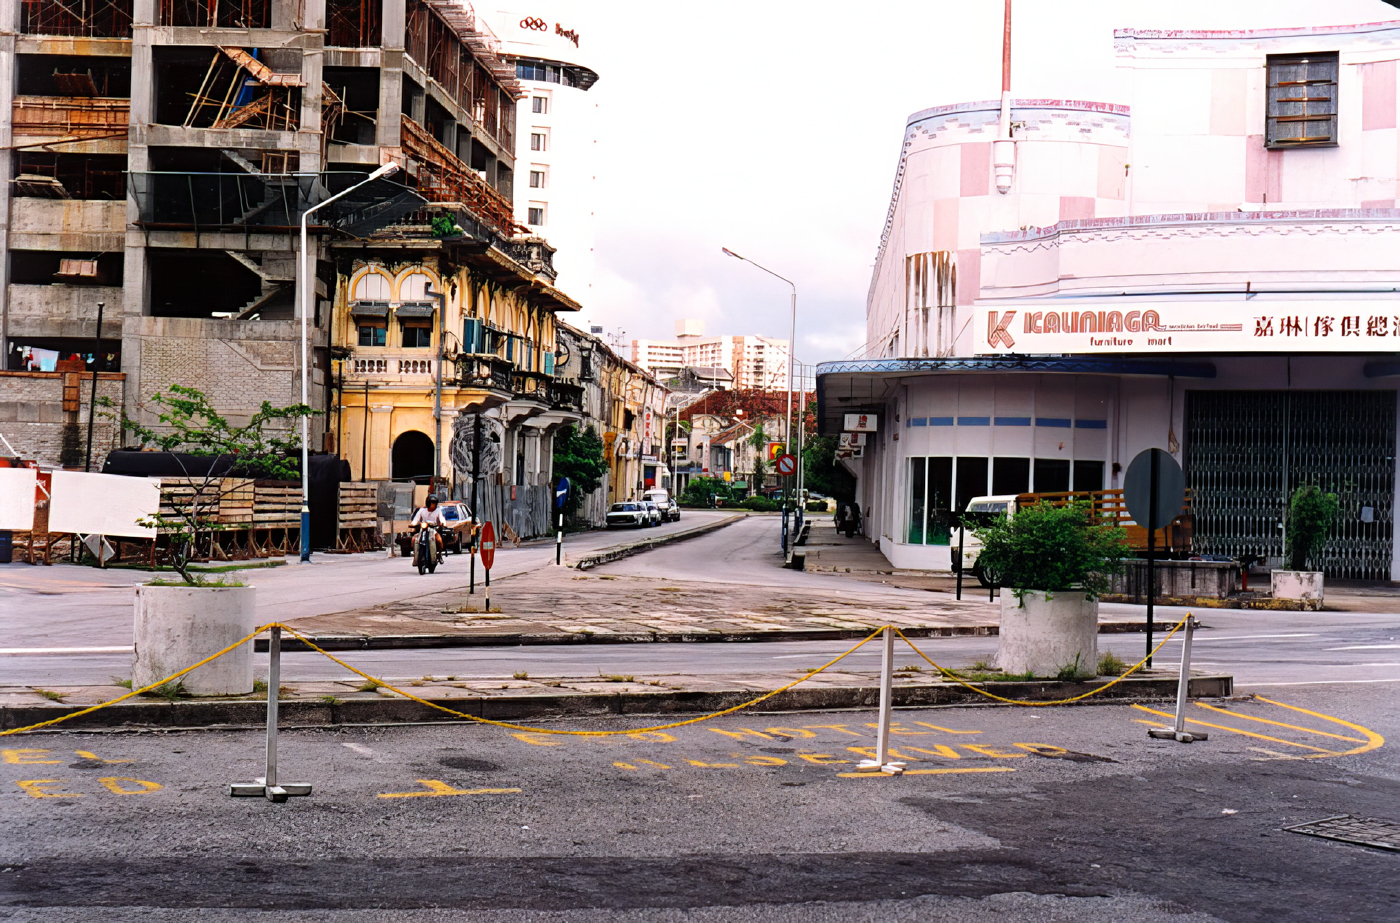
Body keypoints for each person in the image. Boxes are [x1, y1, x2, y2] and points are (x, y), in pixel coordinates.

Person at [410, 494, 446, 559]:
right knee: (414, 539)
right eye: (432, 503)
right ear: (428, 503)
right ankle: (416, 553)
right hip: (422, 530)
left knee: (439, 540)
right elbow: (416, 520)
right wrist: (413, 524)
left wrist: (442, 523)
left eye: (435, 503)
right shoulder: (422, 510)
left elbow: (442, 519)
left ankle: (439, 554)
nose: (434, 505)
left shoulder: (438, 511)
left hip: (433, 530)